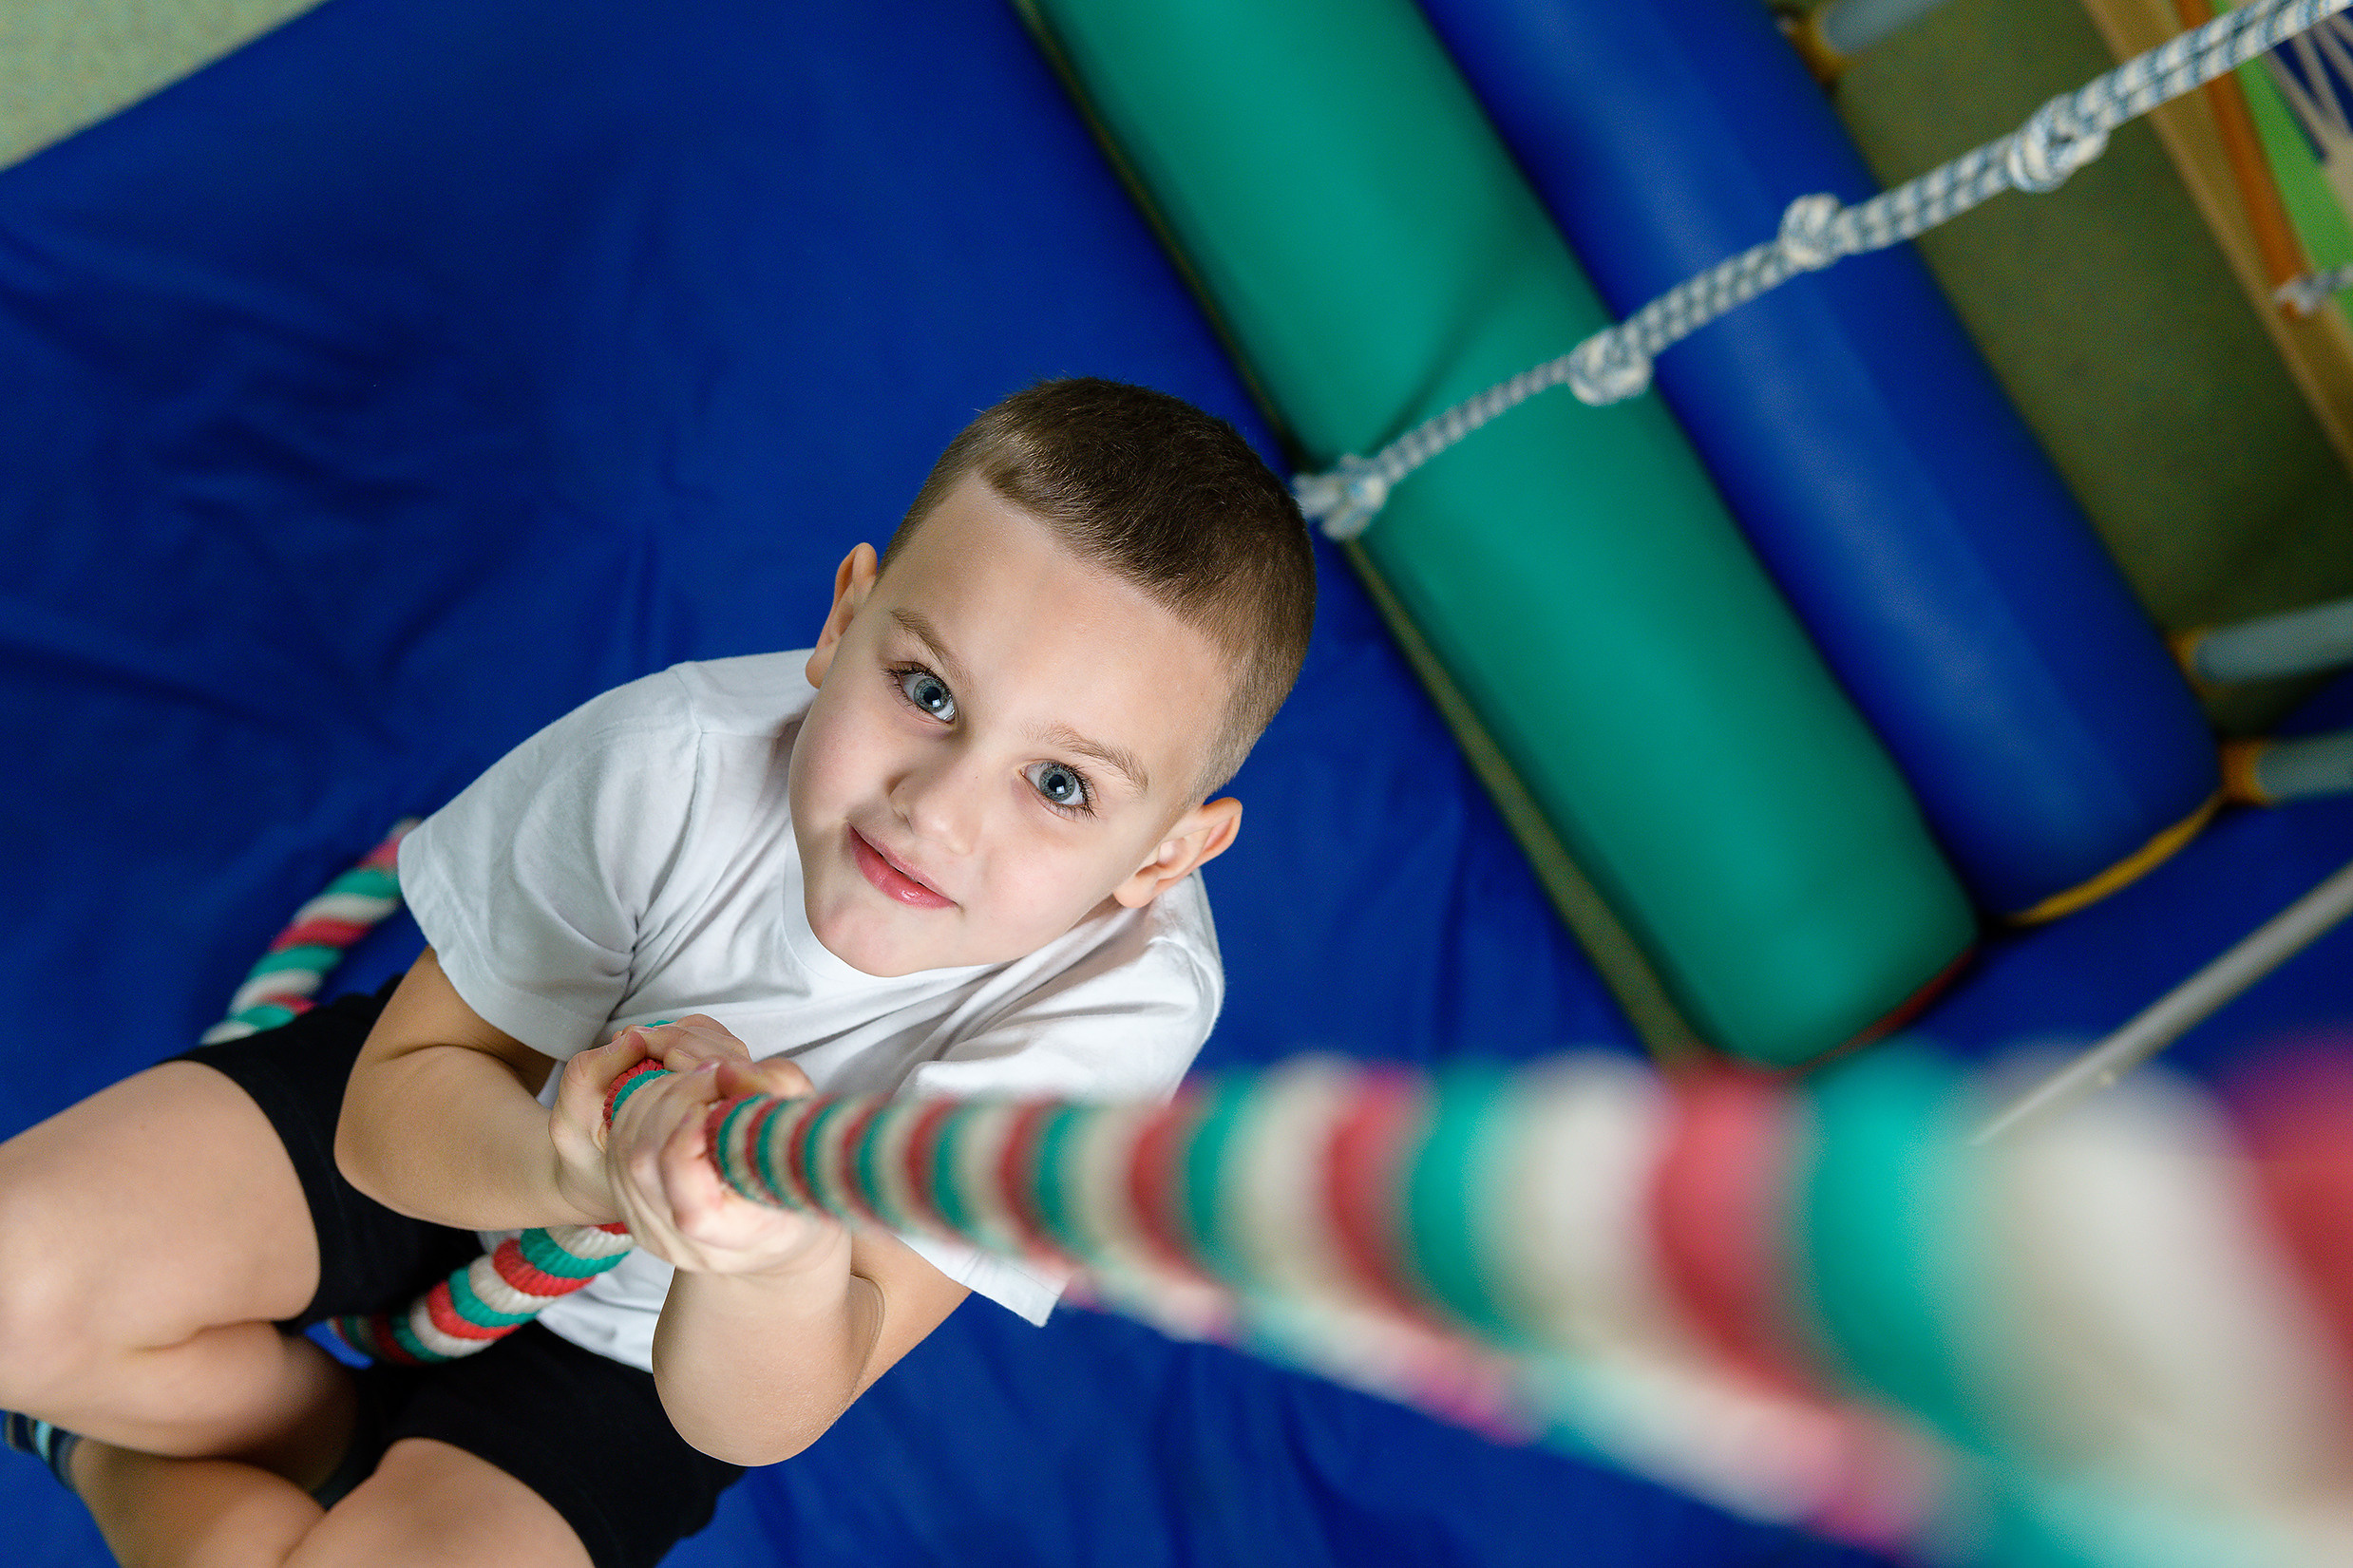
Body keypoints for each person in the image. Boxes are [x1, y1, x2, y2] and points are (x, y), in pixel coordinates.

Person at [0, 377, 1317, 1568]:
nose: (938, 814)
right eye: (924, 692)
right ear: (843, 620)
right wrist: (568, 1166)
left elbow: (763, 1407)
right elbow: (390, 1118)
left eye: (1059, 784)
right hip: (495, 1111)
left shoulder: (1120, 1009)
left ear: (1165, 857)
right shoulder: (665, 759)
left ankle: (117, 1447)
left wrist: (770, 1257)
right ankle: (309, 1429)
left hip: (656, 1362)